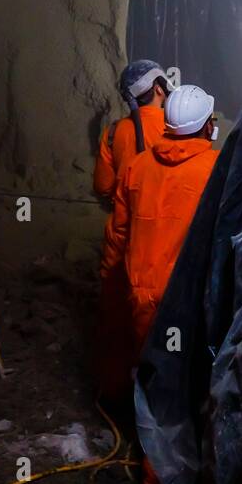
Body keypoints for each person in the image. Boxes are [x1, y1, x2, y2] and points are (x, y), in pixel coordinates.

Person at [105, 85, 219, 484]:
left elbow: (117, 234)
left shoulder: (137, 166)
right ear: (207, 124)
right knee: (186, 388)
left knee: (154, 381)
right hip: (186, 302)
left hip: (141, 295)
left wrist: (110, 282)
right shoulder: (214, 170)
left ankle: (156, 468)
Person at [93, 60, 169, 399]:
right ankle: (152, 402)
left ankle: (115, 393)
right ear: (158, 88)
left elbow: (104, 187)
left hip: (122, 237)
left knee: (116, 319)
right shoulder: (177, 127)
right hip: (163, 240)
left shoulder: (113, 133)